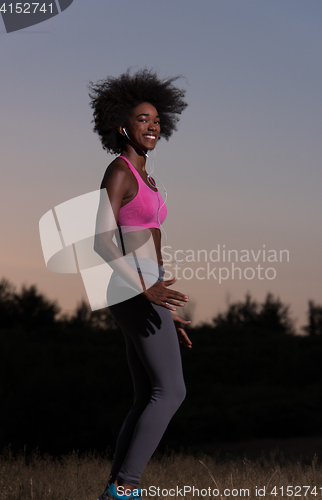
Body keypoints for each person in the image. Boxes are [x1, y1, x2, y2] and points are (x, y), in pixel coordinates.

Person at [89, 69, 191, 500]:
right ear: (123, 126)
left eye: (156, 119)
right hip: (131, 287)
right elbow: (99, 240)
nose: (153, 126)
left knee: (147, 393)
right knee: (171, 392)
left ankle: (115, 488)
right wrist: (145, 290)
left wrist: (164, 308)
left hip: (145, 289)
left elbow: (153, 240)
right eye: (143, 119)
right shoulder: (120, 171)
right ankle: (127, 486)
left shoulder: (147, 177)